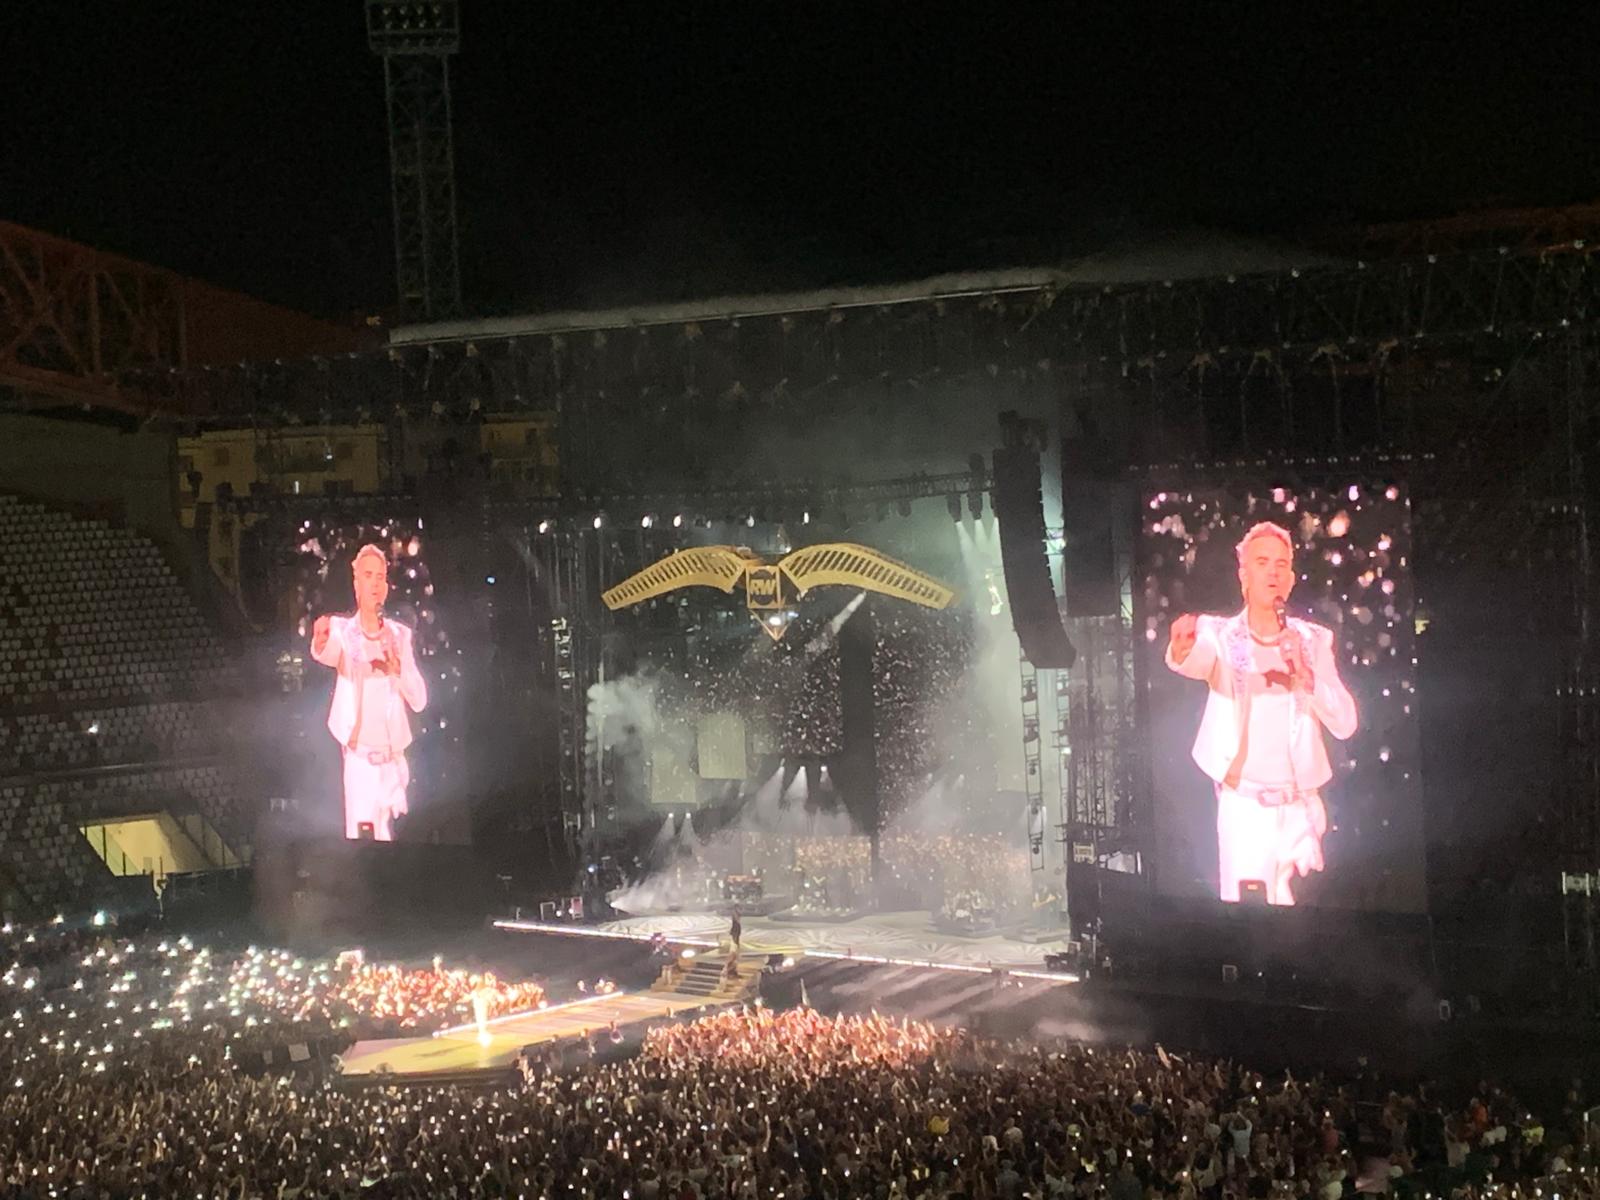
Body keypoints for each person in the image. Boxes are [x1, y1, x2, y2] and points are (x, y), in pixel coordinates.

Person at [1166, 521, 1357, 905]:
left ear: (1291, 579)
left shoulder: (1313, 641)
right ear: (1244, 576)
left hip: (1301, 812)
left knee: (1303, 925)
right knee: (1248, 919)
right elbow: (1197, 660)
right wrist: (1182, 648)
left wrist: (1307, 677)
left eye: (1281, 564)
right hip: (1246, 811)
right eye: (1262, 562)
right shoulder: (1220, 635)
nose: (1273, 572)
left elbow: (1345, 723)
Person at [310, 544, 428, 841]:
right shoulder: (343, 631)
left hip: (393, 763)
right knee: (363, 844)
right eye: (368, 575)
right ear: (356, 583)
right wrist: (321, 640)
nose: (374, 584)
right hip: (360, 762)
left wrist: (399, 671)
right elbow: (327, 653)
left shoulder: (399, 636)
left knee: (393, 845)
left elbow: (419, 700)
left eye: (380, 577)